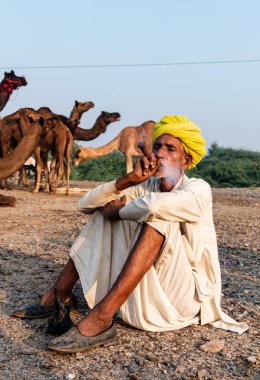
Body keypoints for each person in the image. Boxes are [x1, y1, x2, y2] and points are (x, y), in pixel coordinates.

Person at [13, 115, 248, 353]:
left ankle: (101, 319)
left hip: (184, 301)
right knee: (102, 211)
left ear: (185, 159)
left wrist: (120, 211)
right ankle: (59, 295)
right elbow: (83, 204)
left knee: (157, 216)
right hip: (146, 302)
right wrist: (127, 180)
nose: (160, 153)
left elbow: (155, 206)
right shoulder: (146, 186)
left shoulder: (198, 188)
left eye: (170, 148)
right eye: (157, 146)